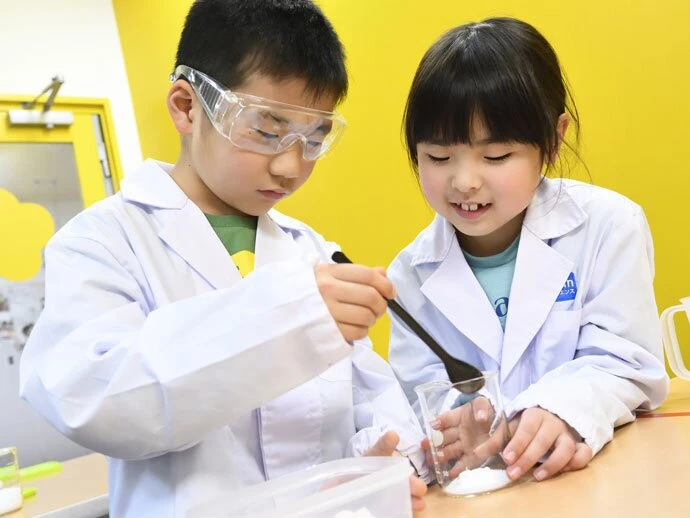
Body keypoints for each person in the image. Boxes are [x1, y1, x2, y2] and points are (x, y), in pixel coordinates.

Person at [19, 1, 429, 515]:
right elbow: (91, 401)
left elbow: (369, 397)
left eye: (313, 139)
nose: (290, 166)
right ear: (187, 107)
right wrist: (287, 319)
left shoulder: (312, 251)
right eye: (266, 130)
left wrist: (376, 460)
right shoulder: (102, 243)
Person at [388, 17, 669, 484]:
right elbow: (424, 401)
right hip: (488, 491)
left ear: (554, 140)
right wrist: (455, 425)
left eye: (495, 156)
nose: (464, 181)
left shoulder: (607, 226)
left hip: (598, 478)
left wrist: (558, 409)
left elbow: (626, 363)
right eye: (438, 157)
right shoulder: (410, 276)